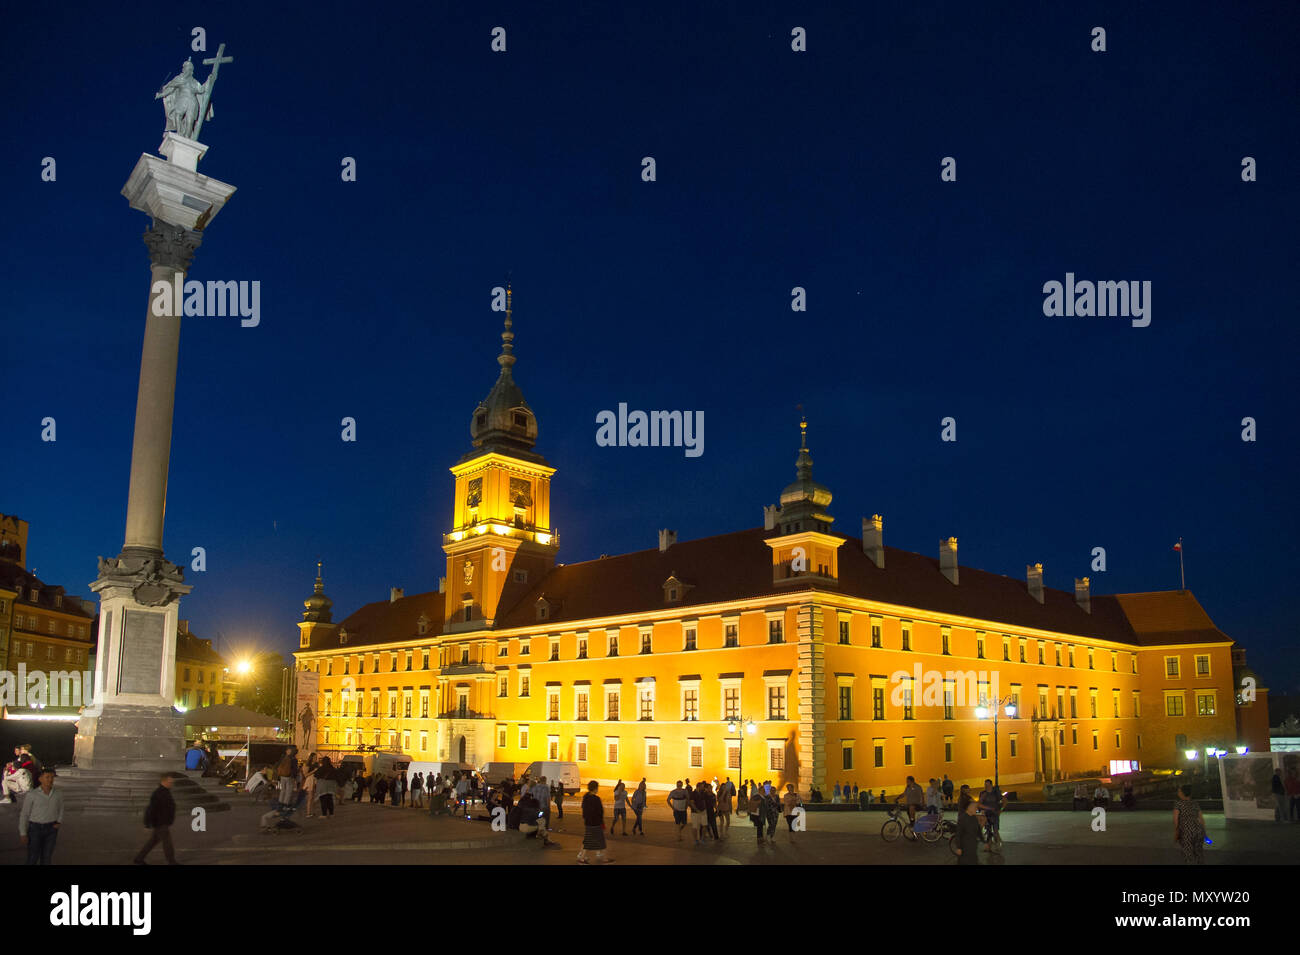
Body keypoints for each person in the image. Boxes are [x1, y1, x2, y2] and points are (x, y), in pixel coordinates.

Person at [18, 768, 62, 865]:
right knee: (33, 857)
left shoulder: (57, 794)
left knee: (47, 857)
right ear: (40, 779)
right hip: (35, 829)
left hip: (51, 829)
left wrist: (58, 821)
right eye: (47, 777)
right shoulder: (32, 795)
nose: (50, 780)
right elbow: (24, 814)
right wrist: (23, 832)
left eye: (52, 777)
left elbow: (61, 808)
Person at [134, 774, 179, 865]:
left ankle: (139, 858)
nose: (171, 784)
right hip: (161, 822)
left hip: (163, 821)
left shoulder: (165, 791)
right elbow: (151, 809)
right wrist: (147, 824)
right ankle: (172, 861)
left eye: (172, 782)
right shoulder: (158, 793)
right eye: (170, 782)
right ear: (164, 781)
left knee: (153, 841)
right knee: (167, 843)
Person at [577, 780, 609, 864]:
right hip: (596, 823)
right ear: (595, 788)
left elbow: (583, 809)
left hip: (588, 822)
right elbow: (600, 812)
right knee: (600, 841)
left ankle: (582, 856)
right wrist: (602, 823)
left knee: (588, 840)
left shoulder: (586, 797)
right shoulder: (596, 799)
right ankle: (603, 858)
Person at [1173, 784, 1206, 864]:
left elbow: (1176, 819)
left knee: (1187, 853)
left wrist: (1176, 832)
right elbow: (1201, 819)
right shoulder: (1195, 803)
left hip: (1186, 831)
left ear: (1182, 793)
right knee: (1199, 852)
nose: (1178, 792)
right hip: (1198, 830)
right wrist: (1204, 833)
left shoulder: (1178, 804)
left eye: (1179, 791)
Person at [953, 793, 981, 865]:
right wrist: (959, 847)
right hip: (965, 847)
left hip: (972, 845)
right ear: (969, 807)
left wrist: (983, 840)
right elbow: (958, 834)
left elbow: (978, 830)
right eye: (975, 807)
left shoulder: (974, 818)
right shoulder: (963, 819)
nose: (976, 809)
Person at [977, 780, 1005, 848]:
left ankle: (998, 843)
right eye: (985, 785)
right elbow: (979, 803)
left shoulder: (996, 793)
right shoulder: (983, 793)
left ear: (991, 785)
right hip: (987, 814)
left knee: (995, 830)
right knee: (988, 830)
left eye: (988, 785)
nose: (987, 787)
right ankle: (989, 846)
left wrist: (1001, 810)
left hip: (995, 814)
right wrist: (981, 809)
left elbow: (1004, 800)